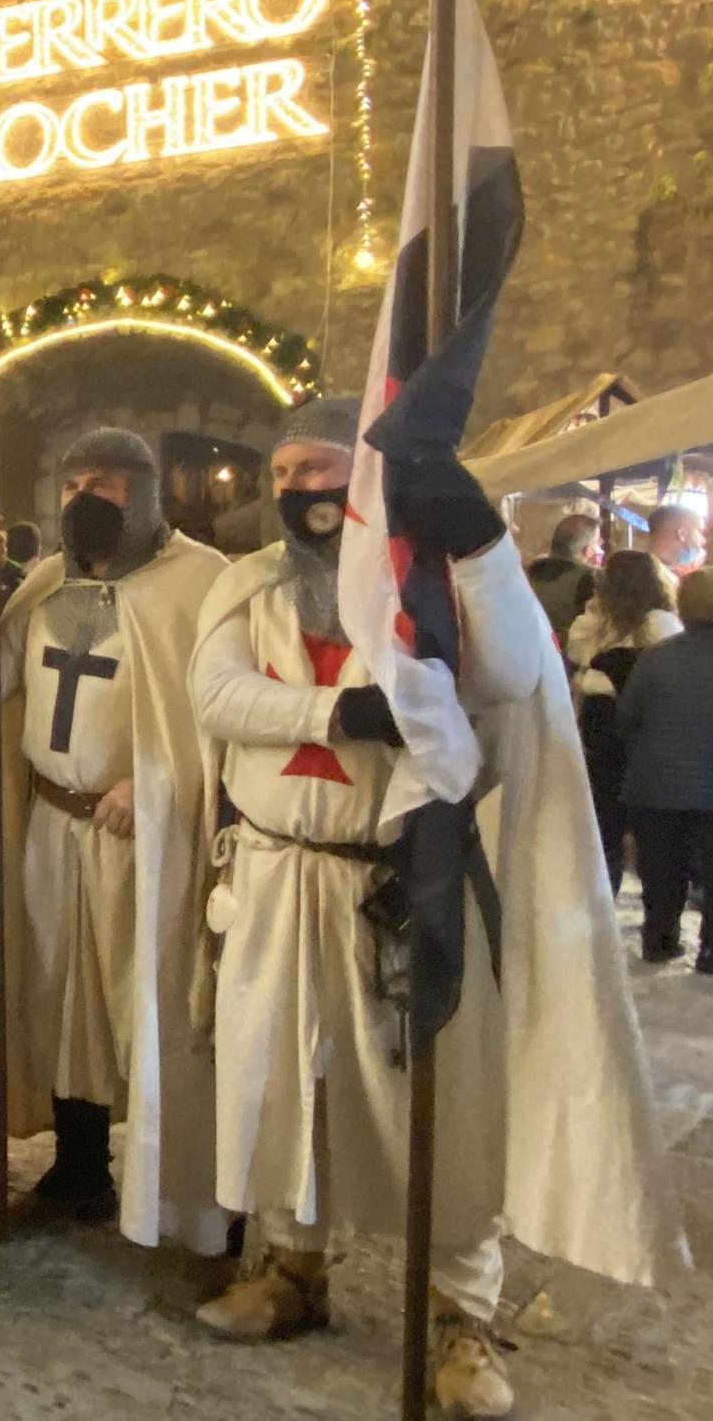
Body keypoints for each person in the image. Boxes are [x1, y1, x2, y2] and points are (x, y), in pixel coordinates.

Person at [188, 400, 684, 1418]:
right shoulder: (247, 587)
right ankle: (292, 1266)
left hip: (404, 880)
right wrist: (336, 712)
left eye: (316, 468)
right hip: (281, 875)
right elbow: (216, 698)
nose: (294, 491)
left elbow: (506, 672)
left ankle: (461, 1313)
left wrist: (478, 541)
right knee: (286, 1078)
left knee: (441, 1103)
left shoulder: (438, 593)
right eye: (279, 470)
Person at [0, 428, 229, 1256]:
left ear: (142, 494)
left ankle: (180, 1182)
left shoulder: (200, 583)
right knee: (59, 995)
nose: (81, 501)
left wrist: (157, 782)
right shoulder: (41, 583)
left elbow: (221, 718)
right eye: (70, 485)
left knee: (147, 999)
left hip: (147, 836)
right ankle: (80, 1168)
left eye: (101, 485)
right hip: (52, 826)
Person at [566, 551, 682, 898]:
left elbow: (576, 658)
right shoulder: (664, 624)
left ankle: (605, 893)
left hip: (601, 725)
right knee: (652, 824)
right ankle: (659, 906)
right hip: (651, 729)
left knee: (606, 817)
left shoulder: (592, 625)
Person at [618, 569, 713, 969]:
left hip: (654, 785)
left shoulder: (655, 657)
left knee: (660, 871)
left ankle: (660, 938)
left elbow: (627, 718)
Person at [524, 511, 601, 648]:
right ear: (588, 550)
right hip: (566, 659)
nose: (600, 548)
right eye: (598, 542)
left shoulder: (530, 572)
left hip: (529, 651)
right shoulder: (589, 578)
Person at [646, 502, 706, 585]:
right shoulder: (671, 585)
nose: (703, 541)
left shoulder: (632, 571)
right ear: (682, 534)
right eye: (700, 532)